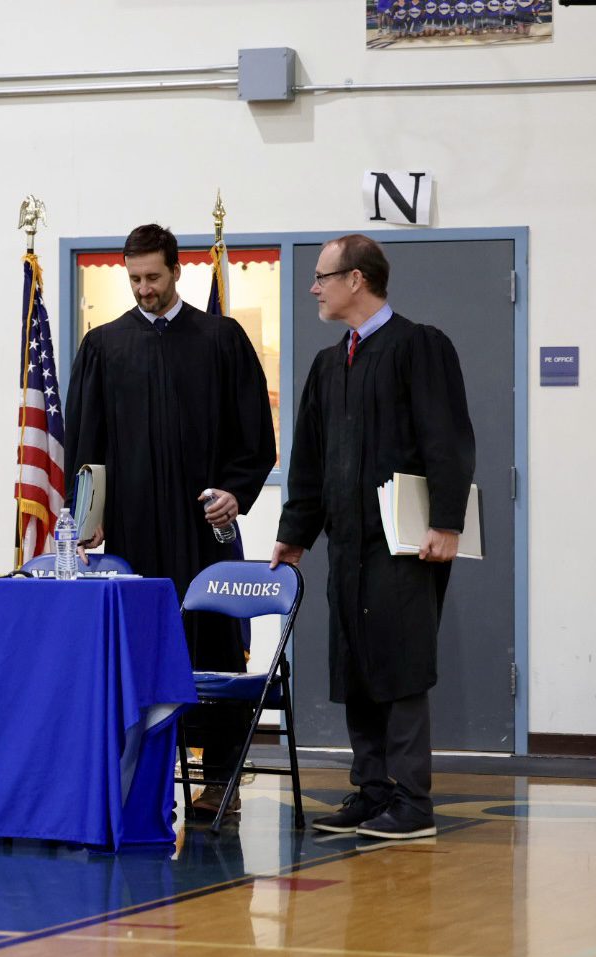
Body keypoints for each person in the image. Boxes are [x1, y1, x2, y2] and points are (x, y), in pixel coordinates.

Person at [63, 223, 276, 819]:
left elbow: (253, 433)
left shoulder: (220, 338)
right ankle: (145, 777)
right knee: (141, 648)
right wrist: (89, 517)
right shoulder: (104, 346)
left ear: (177, 270)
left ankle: (221, 782)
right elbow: (86, 443)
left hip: (205, 530)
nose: (143, 289)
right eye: (133, 279)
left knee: (213, 644)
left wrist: (236, 492)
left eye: (153, 277)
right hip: (135, 532)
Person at [272, 234, 475, 841]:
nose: (314, 287)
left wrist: (446, 522)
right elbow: (309, 459)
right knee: (357, 659)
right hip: (349, 543)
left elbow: (448, 439)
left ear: (356, 279)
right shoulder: (330, 363)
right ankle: (374, 790)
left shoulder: (419, 347)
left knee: (402, 662)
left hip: (407, 542)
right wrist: (295, 533)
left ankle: (412, 802)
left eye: (321, 276)